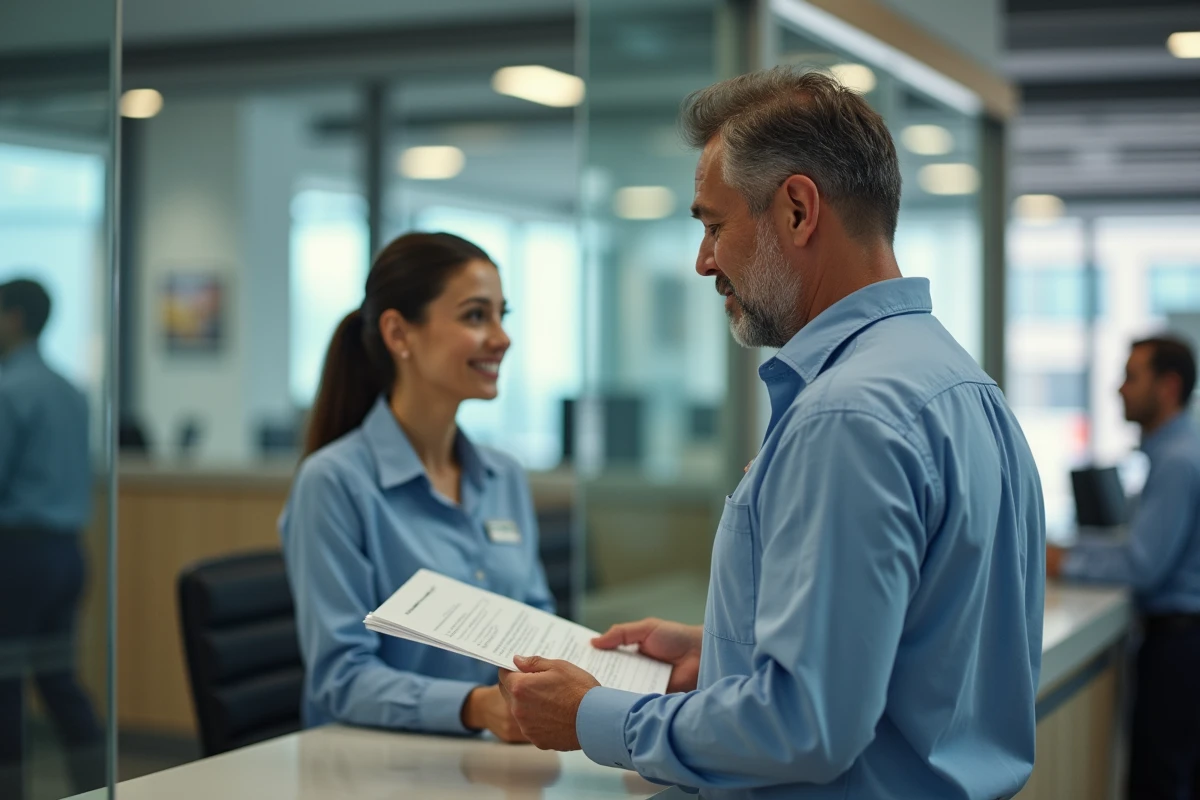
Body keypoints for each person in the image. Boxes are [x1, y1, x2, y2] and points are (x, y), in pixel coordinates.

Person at [495, 67, 1046, 799]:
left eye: (714, 226)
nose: (703, 262)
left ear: (796, 210)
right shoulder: (961, 386)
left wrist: (592, 715)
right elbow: (926, 652)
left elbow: (804, 725)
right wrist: (730, 654)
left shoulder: (848, 417)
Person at [279, 232, 555, 743]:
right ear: (399, 334)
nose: (502, 338)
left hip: (498, 758)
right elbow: (341, 679)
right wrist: (475, 707)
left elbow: (538, 622)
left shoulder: (505, 477)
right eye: (476, 316)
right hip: (377, 763)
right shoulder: (335, 483)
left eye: (502, 315)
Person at [1048, 335, 1200, 800]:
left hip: (1179, 646)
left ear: (1168, 386)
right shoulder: (1177, 451)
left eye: (1132, 377)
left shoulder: (1178, 461)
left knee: (1159, 784)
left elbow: (1141, 564)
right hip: (1179, 641)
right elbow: (1136, 544)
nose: (1120, 388)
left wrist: (1064, 560)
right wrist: (1072, 548)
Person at [0, 278, 104, 799]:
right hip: (67, 553)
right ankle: (96, 784)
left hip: (18, 552)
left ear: (14, 318)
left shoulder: (8, 390)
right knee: (58, 678)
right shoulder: (70, 390)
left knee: (5, 683)